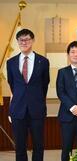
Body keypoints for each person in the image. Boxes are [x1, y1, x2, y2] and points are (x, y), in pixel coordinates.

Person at [6, 29, 50, 161]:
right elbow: (12, 85)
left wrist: (35, 99)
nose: (24, 42)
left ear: (33, 40)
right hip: (18, 110)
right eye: (21, 40)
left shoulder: (43, 61)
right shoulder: (11, 62)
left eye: (27, 39)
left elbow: (44, 84)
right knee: (19, 147)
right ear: (18, 42)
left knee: (38, 145)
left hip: (37, 109)